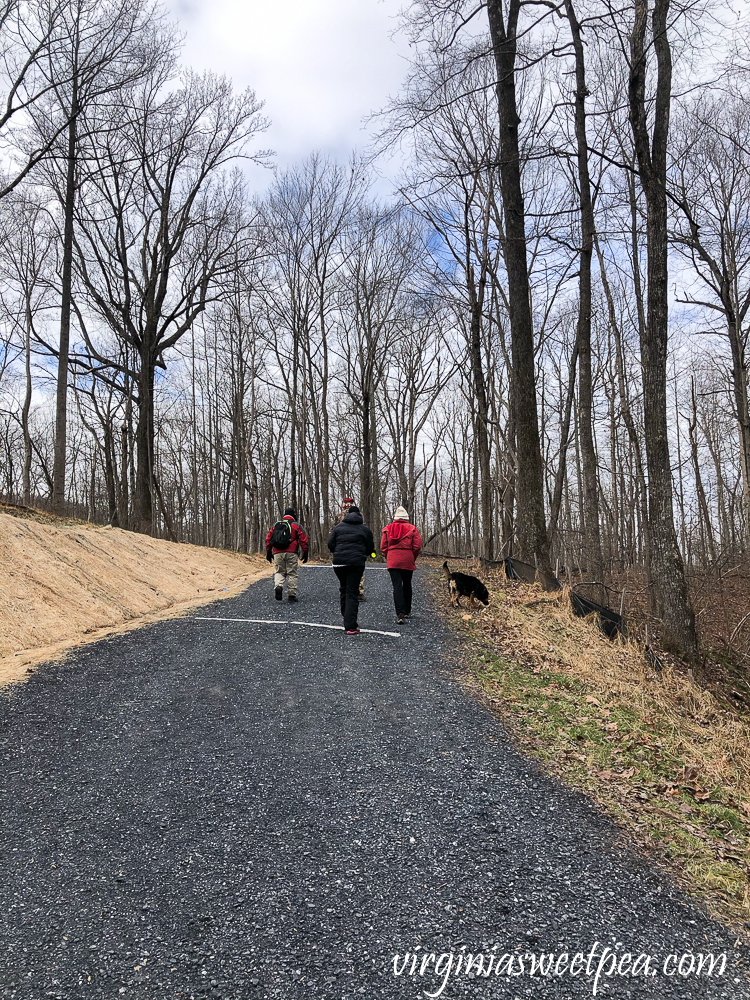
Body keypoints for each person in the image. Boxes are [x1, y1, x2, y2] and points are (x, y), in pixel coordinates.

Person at [327, 504, 374, 635]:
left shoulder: (338, 528)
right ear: (360, 516)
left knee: (343, 588)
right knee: (352, 591)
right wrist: (364, 553)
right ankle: (351, 626)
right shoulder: (364, 529)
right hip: (356, 564)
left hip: (339, 563)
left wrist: (337, 552)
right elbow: (370, 548)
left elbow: (330, 544)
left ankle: (346, 616)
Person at [381, 505, 422, 624]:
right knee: (407, 584)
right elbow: (417, 546)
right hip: (407, 559)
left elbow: (383, 546)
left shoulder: (388, 529)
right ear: (406, 517)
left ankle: (400, 613)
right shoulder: (412, 528)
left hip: (393, 560)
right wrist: (412, 557)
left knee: (397, 586)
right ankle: (407, 610)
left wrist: (388, 556)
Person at [265, 507, 308, 603]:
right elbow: (303, 540)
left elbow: (268, 539)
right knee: (292, 573)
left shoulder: (276, 525)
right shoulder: (296, 525)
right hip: (291, 552)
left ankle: (278, 586)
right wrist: (305, 552)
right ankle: (291, 595)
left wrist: (268, 552)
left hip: (277, 552)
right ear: (293, 515)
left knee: (279, 572)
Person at [335, 496, 366, 601]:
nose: (348, 505)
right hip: (350, 547)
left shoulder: (358, 516)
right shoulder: (340, 516)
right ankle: (354, 591)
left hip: (345, 547)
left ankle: (358, 591)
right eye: (346, 503)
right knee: (356, 571)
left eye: (350, 503)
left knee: (353, 572)